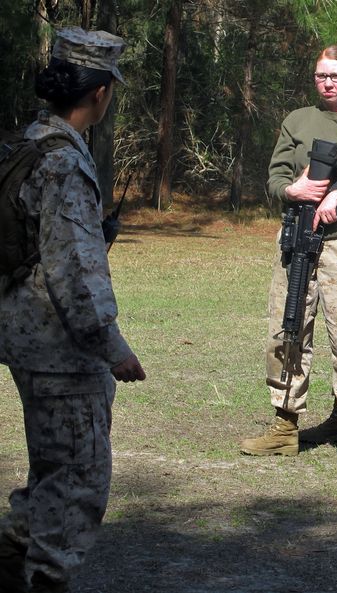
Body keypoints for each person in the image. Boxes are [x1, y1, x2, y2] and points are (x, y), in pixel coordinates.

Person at [0, 27, 146, 593]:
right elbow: (74, 273)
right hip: (61, 349)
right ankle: (45, 577)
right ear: (101, 93)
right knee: (79, 474)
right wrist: (112, 347)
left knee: (52, 467)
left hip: (22, 335)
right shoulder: (64, 164)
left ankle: (15, 556)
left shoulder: (26, 141)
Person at [239, 45, 337, 468]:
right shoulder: (298, 121)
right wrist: (293, 191)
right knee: (287, 328)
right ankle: (285, 426)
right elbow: (274, 178)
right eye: (320, 76)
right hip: (296, 241)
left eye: (335, 75)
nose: (327, 82)